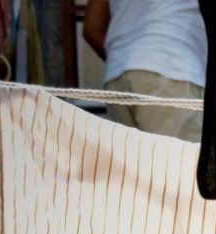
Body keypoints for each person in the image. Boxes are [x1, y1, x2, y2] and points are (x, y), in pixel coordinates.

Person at [82, 0, 206, 141]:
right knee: (178, 160)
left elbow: (92, 28)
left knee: (132, 161)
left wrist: (126, 60)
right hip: (172, 67)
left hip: (117, 78)